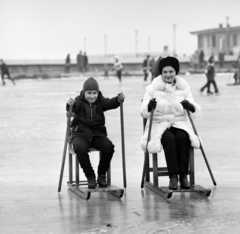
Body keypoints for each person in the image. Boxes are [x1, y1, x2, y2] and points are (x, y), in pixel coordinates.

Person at [140, 56, 201, 190]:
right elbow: (143, 111)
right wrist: (149, 106)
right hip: (159, 123)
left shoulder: (184, 88)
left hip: (179, 123)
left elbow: (194, 107)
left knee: (183, 137)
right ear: (161, 73)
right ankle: (173, 176)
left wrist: (190, 107)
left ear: (176, 72)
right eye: (165, 72)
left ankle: (183, 175)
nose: (168, 75)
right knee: (169, 138)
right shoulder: (152, 89)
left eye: (171, 71)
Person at [66, 77, 125, 189]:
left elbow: (110, 103)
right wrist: (70, 105)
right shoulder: (79, 101)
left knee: (108, 147)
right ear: (84, 92)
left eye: (94, 93)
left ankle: (101, 174)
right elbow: (73, 107)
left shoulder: (100, 101)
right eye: (89, 93)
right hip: (81, 134)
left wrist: (118, 99)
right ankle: (90, 176)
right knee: (80, 148)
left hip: (98, 134)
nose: (92, 96)